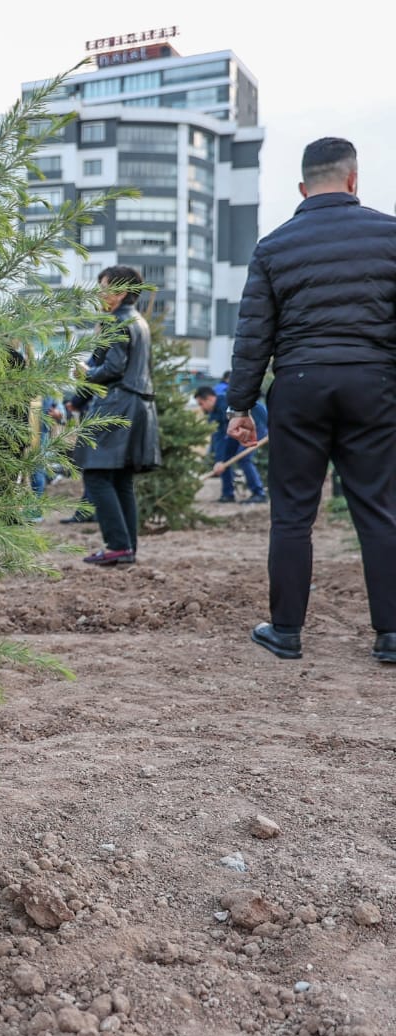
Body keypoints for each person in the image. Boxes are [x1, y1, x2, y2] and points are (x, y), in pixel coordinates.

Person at [227, 137, 396, 663]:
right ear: (353, 179)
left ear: (302, 187)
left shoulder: (274, 246)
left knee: (293, 514)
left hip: (299, 383)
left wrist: (240, 407)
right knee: (380, 510)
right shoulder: (391, 236)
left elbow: (254, 335)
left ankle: (286, 632)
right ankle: (391, 636)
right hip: (374, 383)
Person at [72, 266, 160, 567]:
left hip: (117, 405)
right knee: (121, 479)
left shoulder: (116, 322)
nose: (99, 293)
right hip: (139, 406)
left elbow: (111, 369)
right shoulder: (139, 321)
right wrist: (76, 400)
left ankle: (117, 545)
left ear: (121, 292)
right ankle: (126, 548)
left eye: (104, 287)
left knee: (96, 475)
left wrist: (85, 372)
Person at [194, 385, 267, 503]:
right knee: (225, 459)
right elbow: (218, 437)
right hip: (236, 430)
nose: (201, 408)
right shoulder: (213, 414)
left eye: (201, 404)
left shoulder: (228, 403)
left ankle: (259, 494)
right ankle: (227, 494)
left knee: (244, 458)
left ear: (210, 398)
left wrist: (268, 423)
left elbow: (248, 415)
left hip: (255, 426)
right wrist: (219, 460)